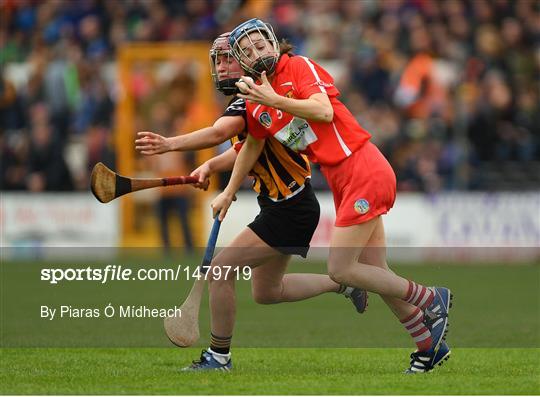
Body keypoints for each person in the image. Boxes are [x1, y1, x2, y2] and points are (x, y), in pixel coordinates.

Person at [210, 19, 453, 373]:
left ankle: (429, 298)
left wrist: (274, 98)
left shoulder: (298, 66)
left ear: (275, 44)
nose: (258, 52)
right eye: (247, 51)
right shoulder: (258, 102)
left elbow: (323, 110)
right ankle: (429, 346)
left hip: (362, 167)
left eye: (262, 44)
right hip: (343, 180)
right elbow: (252, 146)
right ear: (242, 63)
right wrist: (228, 190)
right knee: (373, 270)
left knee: (341, 269)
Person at [135, 32, 368, 371]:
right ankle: (342, 283)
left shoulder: (252, 93)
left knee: (220, 271)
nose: (222, 66)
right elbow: (246, 147)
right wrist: (213, 166)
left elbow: (220, 132)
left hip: (290, 207)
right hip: (285, 204)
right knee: (267, 292)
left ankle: (218, 357)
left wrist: (170, 144)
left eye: (228, 58)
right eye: (218, 60)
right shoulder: (255, 94)